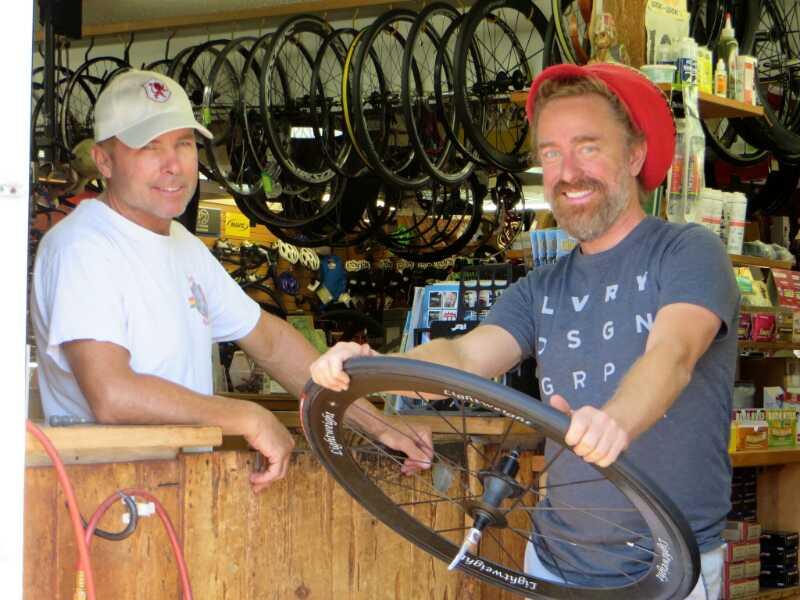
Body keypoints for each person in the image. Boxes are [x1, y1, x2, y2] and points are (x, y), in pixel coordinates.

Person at [310, 63, 739, 599]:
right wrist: (374, 367)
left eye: (587, 147)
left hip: (670, 569)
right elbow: (464, 359)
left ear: (634, 155)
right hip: (553, 566)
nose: (567, 172)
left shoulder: (689, 252)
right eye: (551, 153)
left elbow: (674, 354)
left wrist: (616, 421)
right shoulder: (542, 287)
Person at [30, 69, 432, 494]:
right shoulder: (84, 247)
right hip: (103, 497)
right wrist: (242, 416)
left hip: (173, 492)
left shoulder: (181, 244)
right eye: (150, 147)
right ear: (104, 160)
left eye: (184, 143)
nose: (173, 165)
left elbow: (271, 343)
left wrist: (378, 425)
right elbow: (112, 394)